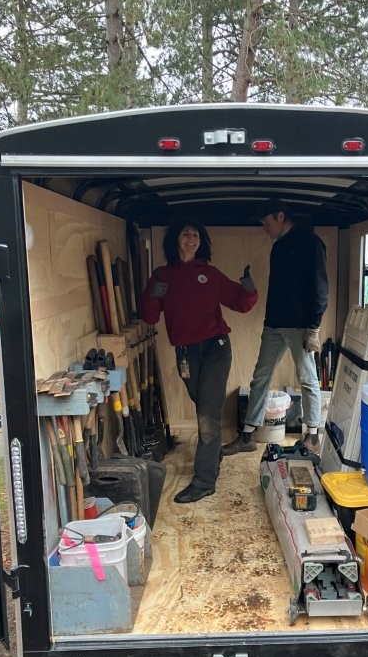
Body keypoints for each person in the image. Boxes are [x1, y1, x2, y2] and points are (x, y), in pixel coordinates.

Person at [141, 217, 258, 503]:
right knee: (203, 404)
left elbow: (241, 304)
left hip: (216, 348)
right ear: (175, 240)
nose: (191, 239)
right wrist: (152, 296)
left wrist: (248, 288)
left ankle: (205, 479)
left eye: (195, 235)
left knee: (208, 414)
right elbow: (149, 317)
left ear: (201, 241)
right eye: (185, 234)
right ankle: (213, 451)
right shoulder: (162, 275)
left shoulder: (210, 274)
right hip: (185, 353)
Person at [222, 198, 328, 457]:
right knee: (260, 377)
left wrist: (314, 326)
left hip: (301, 325)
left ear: (281, 216)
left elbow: (320, 287)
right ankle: (247, 436)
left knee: (307, 379)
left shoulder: (311, 243)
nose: (264, 228)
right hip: (274, 324)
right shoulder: (279, 247)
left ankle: (313, 436)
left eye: (266, 222)